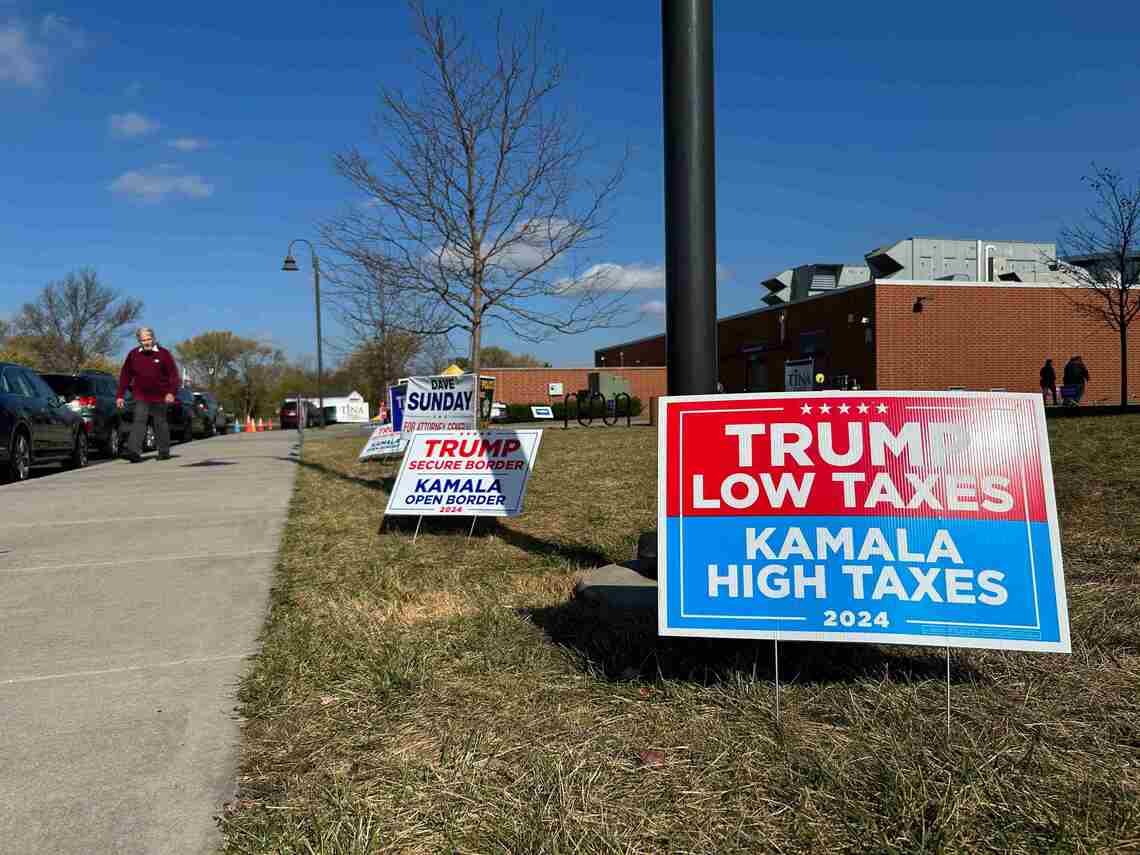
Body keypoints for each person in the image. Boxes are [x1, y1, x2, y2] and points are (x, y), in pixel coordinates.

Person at [116, 326, 179, 462]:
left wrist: (171, 393)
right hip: (141, 395)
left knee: (159, 423)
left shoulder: (164, 354)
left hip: (160, 396)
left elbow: (173, 376)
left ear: (154, 338)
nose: (147, 342)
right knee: (139, 421)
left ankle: (163, 451)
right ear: (139, 341)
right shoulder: (133, 354)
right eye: (143, 340)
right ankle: (133, 452)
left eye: (149, 339)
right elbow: (125, 375)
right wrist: (120, 394)